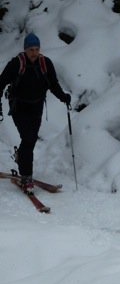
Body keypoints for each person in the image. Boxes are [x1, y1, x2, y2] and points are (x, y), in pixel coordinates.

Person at [0, 32, 71, 193]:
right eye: (31, 49)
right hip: (19, 107)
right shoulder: (16, 63)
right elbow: (1, 82)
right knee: (28, 138)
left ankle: (21, 159)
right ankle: (26, 176)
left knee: (29, 142)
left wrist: (63, 97)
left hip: (37, 107)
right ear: (25, 49)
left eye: (36, 49)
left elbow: (53, 84)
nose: (34, 52)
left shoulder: (45, 63)